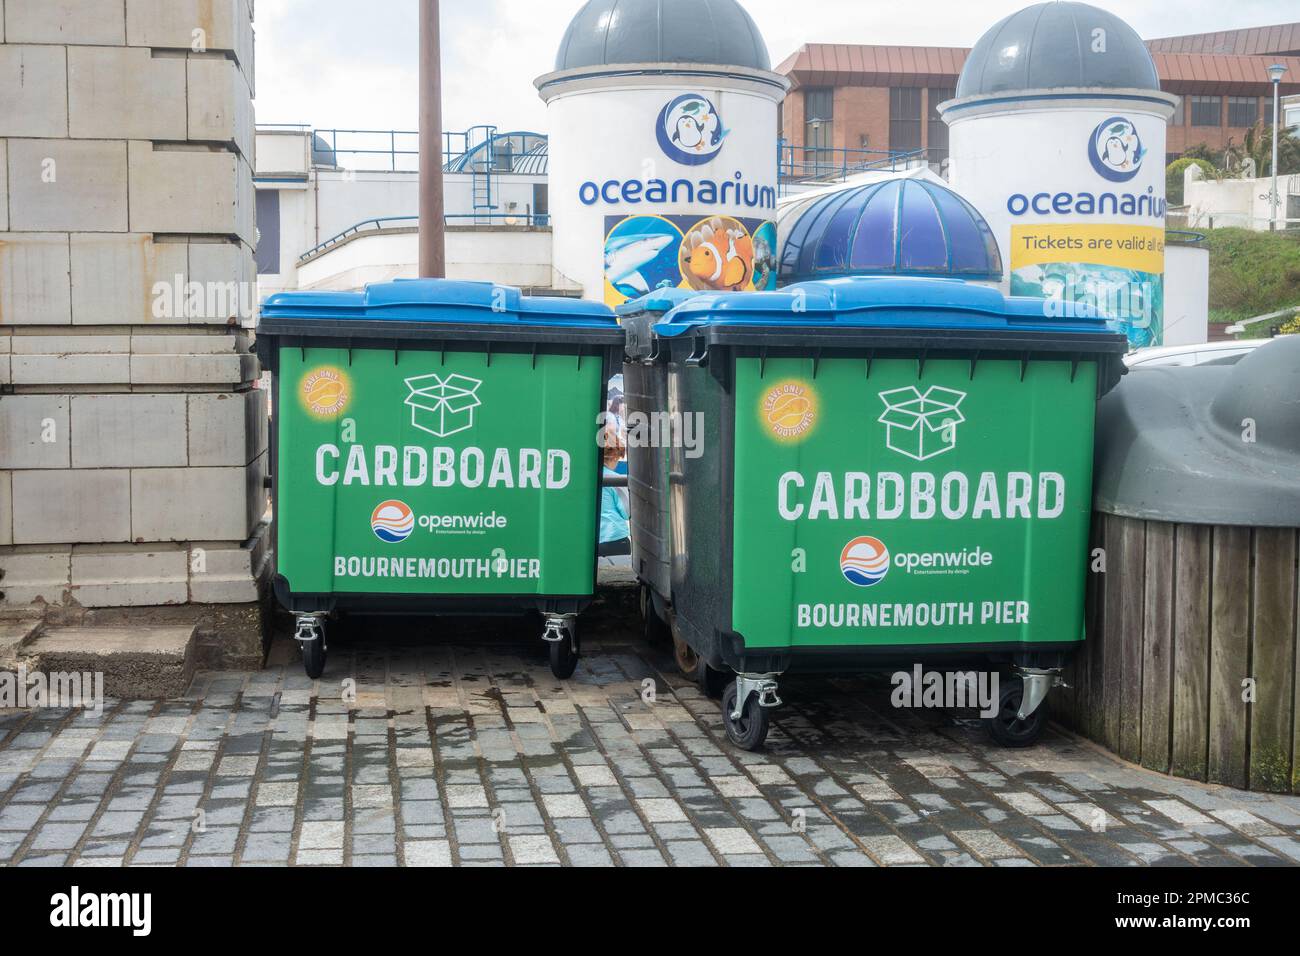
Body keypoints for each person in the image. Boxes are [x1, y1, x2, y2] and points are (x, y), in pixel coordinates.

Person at [598, 426, 630, 557]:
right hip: (614, 538)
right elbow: (626, 512)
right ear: (614, 457)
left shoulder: (587, 478)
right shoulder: (616, 479)